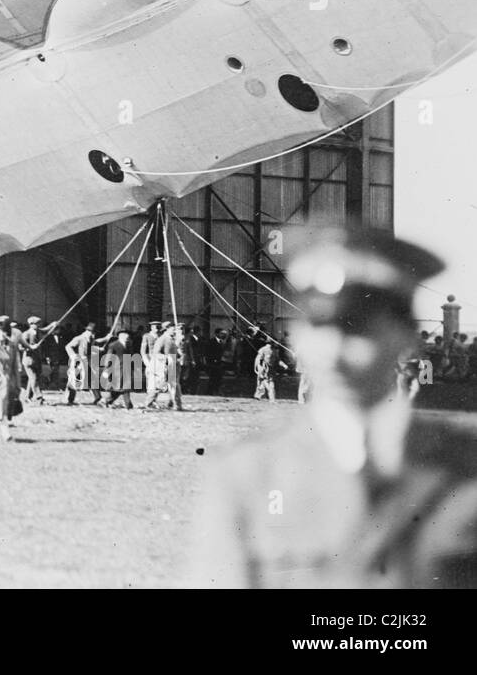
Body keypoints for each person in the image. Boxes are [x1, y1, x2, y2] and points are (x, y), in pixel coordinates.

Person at [192, 223, 477, 588]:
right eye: (318, 327)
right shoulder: (247, 474)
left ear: (405, 337)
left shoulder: (465, 469)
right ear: (296, 335)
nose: (333, 354)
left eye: (357, 331)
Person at [144, 324, 185, 410]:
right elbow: (156, 353)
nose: (174, 331)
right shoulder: (162, 339)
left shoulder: (172, 340)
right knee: (160, 385)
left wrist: (179, 349)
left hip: (172, 365)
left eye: (175, 330)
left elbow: (176, 352)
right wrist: (166, 359)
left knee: (174, 385)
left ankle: (177, 405)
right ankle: (149, 403)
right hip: (162, 366)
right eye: (172, 329)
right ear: (166, 330)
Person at [64, 323, 102, 405]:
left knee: (92, 379)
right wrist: (74, 357)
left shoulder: (90, 339)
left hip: (86, 361)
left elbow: (94, 345)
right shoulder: (79, 338)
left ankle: (98, 398)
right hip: (78, 362)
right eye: (93, 332)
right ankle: (70, 400)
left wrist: (106, 339)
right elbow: (68, 346)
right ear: (88, 331)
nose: (93, 334)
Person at [101, 330, 135, 409]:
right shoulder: (113, 345)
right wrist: (106, 369)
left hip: (127, 368)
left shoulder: (129, 344)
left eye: (127, 334)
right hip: (117, 369)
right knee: (123, 387)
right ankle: (128, 405)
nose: (127, 336)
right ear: (120, 336)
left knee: (121, 388)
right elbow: (108, 358)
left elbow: (131, 356)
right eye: (125, 334)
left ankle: (105, 401)